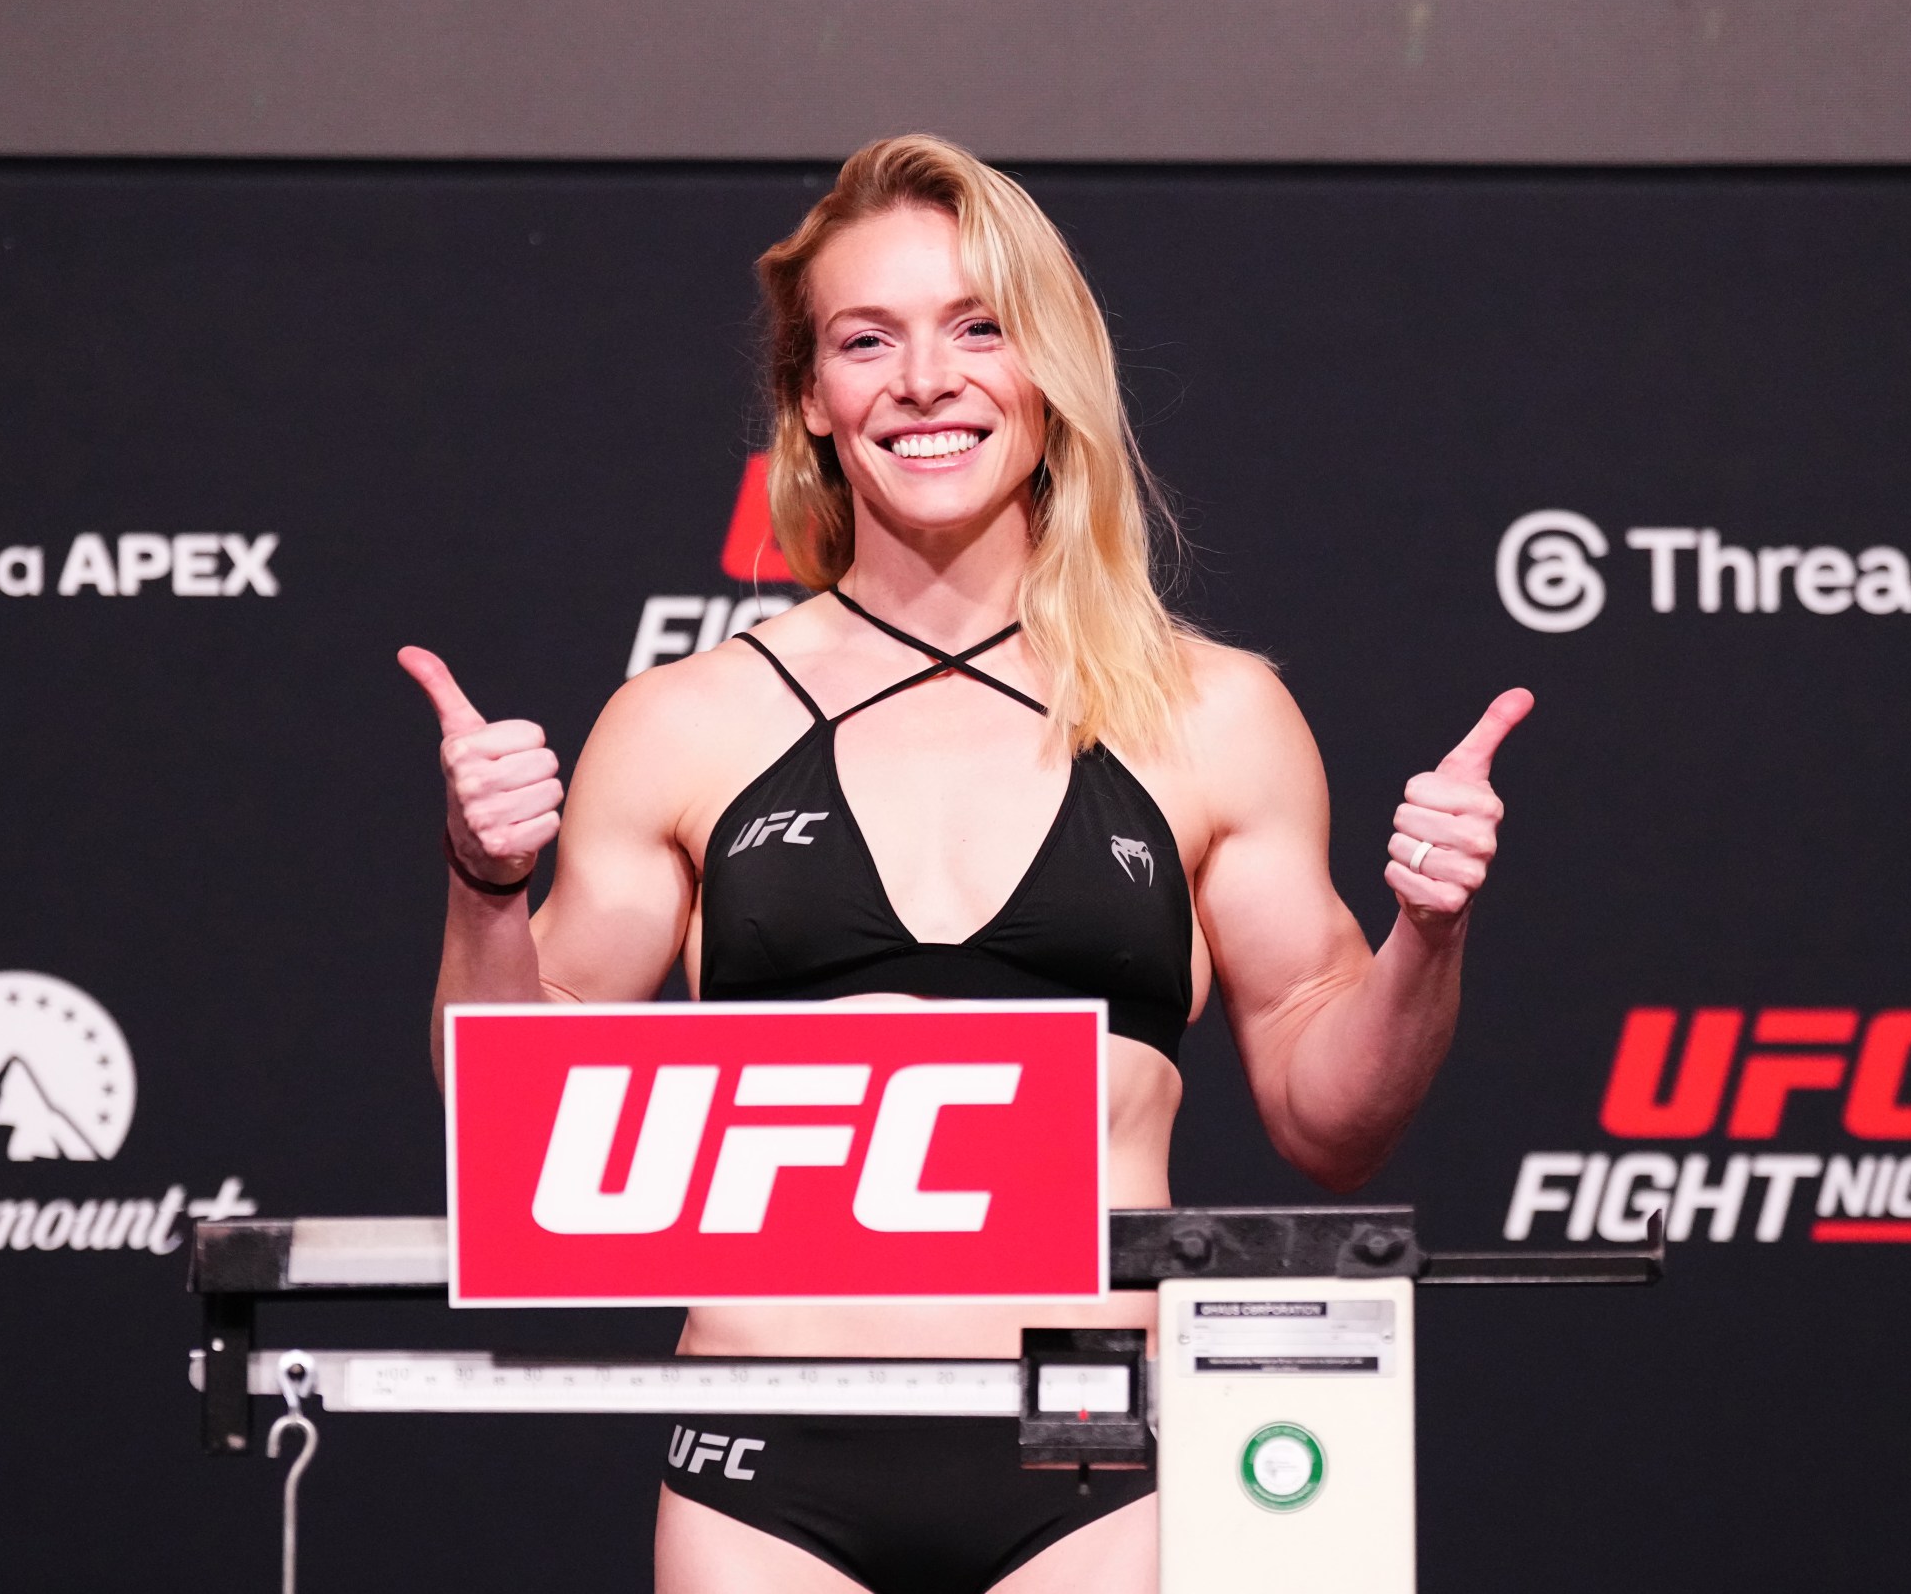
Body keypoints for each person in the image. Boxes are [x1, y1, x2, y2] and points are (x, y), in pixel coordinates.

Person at [398, 134, 1530, 1594]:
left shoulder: (1215, 717)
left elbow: (1333, 1118)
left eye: (977, 327)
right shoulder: (682, 722)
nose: (925, 381)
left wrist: (1425, 935)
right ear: (813, 399)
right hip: (766, 1465)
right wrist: (483, 888)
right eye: (868, 340)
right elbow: (518, 1129)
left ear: (1051, 370)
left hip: (1093, 1464)